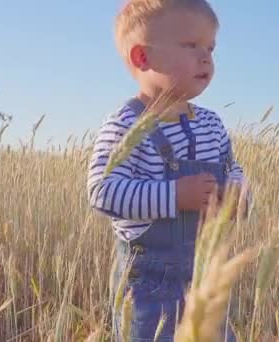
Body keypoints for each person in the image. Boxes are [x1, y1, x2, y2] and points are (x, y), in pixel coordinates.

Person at [86, 0, 251, 340]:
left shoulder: (211, 124)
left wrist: (238, 194)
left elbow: (232, 168)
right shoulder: (127, 123)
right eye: (191, 45)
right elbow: (102, 190)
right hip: (149, 286)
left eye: (210, 47)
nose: (205, 57)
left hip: (207, 276)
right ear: (142, 57)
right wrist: (175, 195)